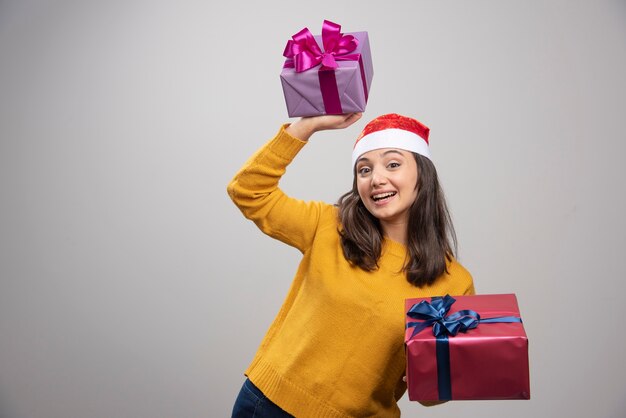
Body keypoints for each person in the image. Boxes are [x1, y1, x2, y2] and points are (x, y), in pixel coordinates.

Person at [227, 113, 475, 417]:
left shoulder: (454, 283)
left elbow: (432, 396)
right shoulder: (328, 226)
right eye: (364, 169)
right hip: (270, 406)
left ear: (422, 174)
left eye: (393, 164)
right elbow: (248, 191)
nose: (376, 179)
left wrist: (434, 378)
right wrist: (306, 126)